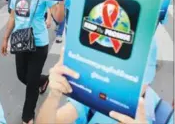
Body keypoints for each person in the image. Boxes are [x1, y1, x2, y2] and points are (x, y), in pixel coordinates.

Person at [36, 38, 174, 124]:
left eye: (134, 73)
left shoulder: (165, 117)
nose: (124, 82)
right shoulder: (97, 97)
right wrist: (53, 96)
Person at [1, 0, 68, 124]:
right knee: (21, 75)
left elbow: (59, 19)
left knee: (31, 83)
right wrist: (5, 38)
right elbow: (12, 17)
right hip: (20, 39)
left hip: (38, 42)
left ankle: (27, 116)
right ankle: (44, 80)